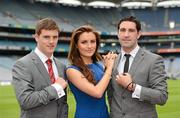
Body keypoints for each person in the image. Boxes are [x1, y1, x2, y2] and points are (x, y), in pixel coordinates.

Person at [107, 16, 168, 118]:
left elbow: (162, 97)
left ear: (138, 34)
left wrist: (132, 87)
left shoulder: (153, 60)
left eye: (131, 30)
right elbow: (111, 96)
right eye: (122, 30)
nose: (126, 35)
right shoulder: (112, 62)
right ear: (118, 33)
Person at [12, 18, 68, 118]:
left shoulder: (61, 66)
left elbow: (62, 103)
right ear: (36, 37)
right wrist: (56, 87)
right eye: (46, 37)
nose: (51, 41)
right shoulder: (22, 64)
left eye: (55, 37)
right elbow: (26, 101)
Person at [65, 25, 117, 118]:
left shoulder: (99, 66)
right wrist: (109, 68)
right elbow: (97, 93)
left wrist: (108, 66)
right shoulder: (72, 70)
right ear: (76, 45)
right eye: (84, 42)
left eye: (93, 41)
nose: (89, 46)